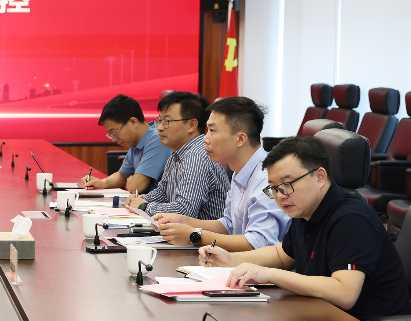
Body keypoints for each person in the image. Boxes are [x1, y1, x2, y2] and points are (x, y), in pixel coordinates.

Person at [201, 136, 411, 320]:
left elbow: (345, 292)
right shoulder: (305, 209)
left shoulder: (352, 218)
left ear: (320, 177)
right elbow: (282, 254)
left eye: (287, 184)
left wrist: (271, 274)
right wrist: (231, 260)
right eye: (273, 188)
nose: (280, 195)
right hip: (324, 320)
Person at [154, 97, 290, 250]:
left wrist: (195, 235)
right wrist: (184, 221)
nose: (205, 139)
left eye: (212, 131)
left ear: (240, 139)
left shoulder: (267, 179)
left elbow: (259, 243)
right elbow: (229, 225)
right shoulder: (239, 171)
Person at [126, 91, 229, 220]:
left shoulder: (196, 155)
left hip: (204, 232)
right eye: (159, 121)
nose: (160, 127)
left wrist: (144, 206)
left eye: (167, 121)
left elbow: (185, 210)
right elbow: (163, 192)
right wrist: (141, 198)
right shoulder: (177, 151)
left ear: (191, 125)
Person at [83, 94, 169, 194]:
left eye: (114, 133)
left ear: (133, 122)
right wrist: (102, 183)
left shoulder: (157, 139)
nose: (113, 139)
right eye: (110, 135)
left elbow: (136, 187)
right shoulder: (135, 142)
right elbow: (123, 176)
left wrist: (132, 182)